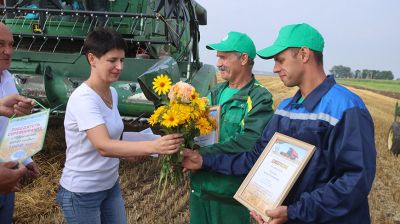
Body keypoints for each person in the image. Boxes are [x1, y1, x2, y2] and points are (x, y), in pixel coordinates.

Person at [182, 23, 376, 224]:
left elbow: (355, 181)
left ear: (303, 54)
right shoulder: (286, 108)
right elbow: (256, 158)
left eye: (280, 60)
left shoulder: (345, 107)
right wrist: (205, 161)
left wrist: (295, 211)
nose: (275, 69)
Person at [56, 27, 183, 224]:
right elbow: (103, 145)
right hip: (82, 193)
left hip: (109, 185)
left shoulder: (112, 93)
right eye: (112, 60)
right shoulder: (83, 98)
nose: (119, 67)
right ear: (92, 59)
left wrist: (131, 152)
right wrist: (154, 146)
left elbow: (113, 139)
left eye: (122, 60)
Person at [187, 31, 274, 224]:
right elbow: (196, 131)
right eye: (218, 57)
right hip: (200, 190)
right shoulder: (215, 93)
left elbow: (249, 142)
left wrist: (203, 155)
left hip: (229, 197)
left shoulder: (259, 97)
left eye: (224, 57)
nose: (218, 63)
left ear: (243, 59)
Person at [0, 22, 39, 224]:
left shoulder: (7, 79)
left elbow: (8, 128)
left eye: (11, 44)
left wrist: (25, 159)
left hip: (8, 175)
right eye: (0, 44)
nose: (8, 51)